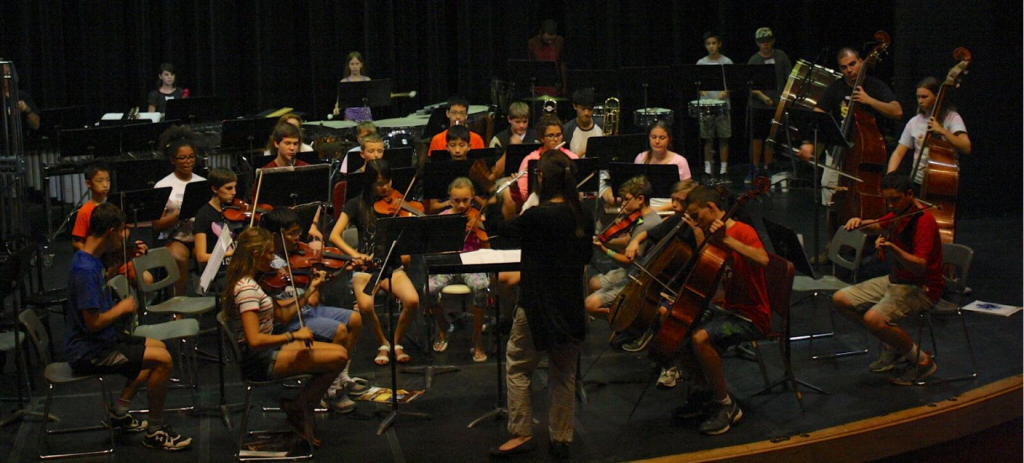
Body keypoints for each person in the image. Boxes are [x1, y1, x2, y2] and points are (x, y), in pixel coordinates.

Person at [487, 151, 593, 459]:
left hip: (537, 304)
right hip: (571, 305)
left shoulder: (536, 216)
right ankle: (561, 437)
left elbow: (501, 234)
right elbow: (586, 257)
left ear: (543, 179)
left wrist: (499, 199)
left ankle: (521, 433)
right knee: (564, 373)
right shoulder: (582, 214)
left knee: (519, 366)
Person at [65, 202, 192, 450]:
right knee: (162, 361)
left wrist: (120, 262)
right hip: (89, 351)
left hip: (103, 339)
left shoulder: (91, 260)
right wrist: (121, 309)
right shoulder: (84, 270)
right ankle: (155, 431)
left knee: (157, 347)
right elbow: (93, 323)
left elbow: (101, 284)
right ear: (111, 231)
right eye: (124, 230)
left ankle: (120, 410)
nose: (127, 235)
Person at [224, 227, 347, 445]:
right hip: (259, 360)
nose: (273, 258)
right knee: (337, 358)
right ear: (256, 255)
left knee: (340, 353)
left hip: (266, 350)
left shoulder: (253, 283)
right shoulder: (247, 290)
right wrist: (293, 337)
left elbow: (282, 314)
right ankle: (299, 409)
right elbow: (254, 340)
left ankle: (298, 408)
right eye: (269, 253)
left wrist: (309, 291)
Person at [666, 185, 770, 435]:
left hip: (751, 315)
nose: (696, 220)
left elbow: (763, 259)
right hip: (726, 306)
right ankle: (704, 391)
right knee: (677, 323)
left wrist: (728, 240)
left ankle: (727, 405)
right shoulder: (712, 231)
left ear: (711, 208)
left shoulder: (741, 231)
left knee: (701, 339)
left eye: (697, 215)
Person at [833, 173, 943, 384]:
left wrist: (892, 249)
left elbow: (920, 267)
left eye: (895, 199)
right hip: (896, 280)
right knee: (841, 299)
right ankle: (894, 346)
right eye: (887, 200)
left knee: (874, 319)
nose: (890, 205)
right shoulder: (899, 212)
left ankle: (922, 361)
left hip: (922, 288)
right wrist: (861, 223)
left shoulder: (923, 221)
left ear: (909, 194)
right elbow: (877, 225)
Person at [260, 208, 368, 412]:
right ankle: (332, 390)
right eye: (291, 234)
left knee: (355, 319)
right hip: (288, 320)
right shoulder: (267, 264)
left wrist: (341, 269)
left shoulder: (298, 253)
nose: (297, 238)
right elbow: (279, 310)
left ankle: (342, 376)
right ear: (275, 236)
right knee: (339, 330)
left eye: (297, 231)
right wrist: (308, 292)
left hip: (306, 310)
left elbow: (315, 281)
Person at [328, 160, 421, 366]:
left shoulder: (397, 201)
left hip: (392, 266)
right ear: (369, 183)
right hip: (366, 269)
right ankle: (383, 343)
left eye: (387, 182)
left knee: (413, 300)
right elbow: (334, 235)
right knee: (365, 305)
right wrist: (355, 254)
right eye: (379, 184)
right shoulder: (355, 204)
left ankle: (396, 342)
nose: (385, 188)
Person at [798, 47, 903, 208]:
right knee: (828, 187)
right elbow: (817, 115)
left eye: (852, 64)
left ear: (861, 62)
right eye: (844, 67)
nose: (849, 70)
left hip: (866, 152)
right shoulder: (836, 87)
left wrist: (869, 100)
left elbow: (897, 111)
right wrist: (809, 141)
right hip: (839, 150)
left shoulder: (875, 86)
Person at [428, 177, 491, 362]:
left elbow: (488, 251)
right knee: (429, 289)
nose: (462, 204)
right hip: (448, 264)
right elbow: (435, 248)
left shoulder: (479, 218)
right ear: (450, 198)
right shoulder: (444, 218)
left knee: (481, 287)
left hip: (471, 264)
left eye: (466, 200)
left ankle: (477, 339)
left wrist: (480, 232)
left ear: (472, 197)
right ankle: (443, 326)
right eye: (457, 200)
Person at [587, 176, 662, 318]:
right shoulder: (643, 216)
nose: (623, 204)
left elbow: (629, 262)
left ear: (640, 199)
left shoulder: (646, 224)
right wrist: (604, 241)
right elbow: (629, 240)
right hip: (634, 269)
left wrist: (604, 250)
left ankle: (627, 319)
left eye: (627, 199)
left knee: (590, 305)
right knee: (594, 282)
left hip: (638, 275)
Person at [886, 77, 971, 184]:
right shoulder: (914, 122)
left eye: (924, 97)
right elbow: (898, 153)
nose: (920, 101)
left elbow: (966, 147)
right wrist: (889, 178)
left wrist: (942, 131)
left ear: (937, 97)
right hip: (918, 180)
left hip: (944, 180)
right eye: (918, 97)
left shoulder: (952, 117)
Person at [153, 125, 206, 297]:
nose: (188, 161)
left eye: (191, 157)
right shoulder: (163, 185)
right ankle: (178, 305)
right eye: (182, 158)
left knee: (209, 256)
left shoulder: (203, 182)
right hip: (175, 237)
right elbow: (157, 225)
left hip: (199, 235)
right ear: (173, 160)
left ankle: (206, 300)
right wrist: (179, 214)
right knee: (179, 258)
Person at [746, 27, 792, 183]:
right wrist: (763, 97)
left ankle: (768, 167)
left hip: (776, 105)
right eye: (762, 42)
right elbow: (749, 85)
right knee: (757, 138)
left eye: (767, 41)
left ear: (772, 41)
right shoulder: (754, 60)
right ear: (758, 43)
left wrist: (784, 98)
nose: (765, 44)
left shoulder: (781, 56)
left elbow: (789, 79)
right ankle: (754, 168)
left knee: (771, 138)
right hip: (758, 106)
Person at [507, 117, 577, 212]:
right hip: (540, 206)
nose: (556, 139)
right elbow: (523, 198)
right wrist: (515, 190)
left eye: (559, 135)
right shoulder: (531, 160)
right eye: (551, 136)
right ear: (541, 138)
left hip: (566, 206)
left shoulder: (571, 158)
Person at [630, 120, 692, 211]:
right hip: (644, 206)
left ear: (669, 139)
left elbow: (687, 193)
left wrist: (657, 210)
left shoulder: (680, 161)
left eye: (662, 138)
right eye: (653, 137)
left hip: (670, 207)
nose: (657, 141)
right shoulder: (641, 158)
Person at [697, 31, 734, 178]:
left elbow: (732, 81)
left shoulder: (727, 61)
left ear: (719, 44)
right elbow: (697, 83)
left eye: (714, 43)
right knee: (708, 138)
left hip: (723, 106)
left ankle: (723, 169)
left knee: (723, 137)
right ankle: (708, 168)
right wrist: (701, 91)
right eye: (708, 44)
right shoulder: (701, 63)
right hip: (706, 106)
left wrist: (726, 91)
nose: (711, 46)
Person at [192, 168, 237, 279]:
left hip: (236, 268)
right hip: (218, 273)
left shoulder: (233, 210)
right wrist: (232, 254)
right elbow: (201, 257)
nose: (234, 192)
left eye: (235, 187)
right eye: (228, 188)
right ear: (215, 189)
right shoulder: (203, 215)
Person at [72, 163, 112, 251]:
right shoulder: (85, 211)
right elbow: (76, 242)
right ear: (88, 183)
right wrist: (91, 254)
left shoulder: (113, 207)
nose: (105, 185)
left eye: (108, 180)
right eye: (99, 181)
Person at [527, 19, 568, 97]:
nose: (549, 42)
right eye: (547, 39)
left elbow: (562, 63)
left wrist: (564, 85)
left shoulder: (559, 41)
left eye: (552, 40)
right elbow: (530, 65)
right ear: (540, 33)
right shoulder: (532, 43)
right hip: (538, 85)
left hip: (555, 85)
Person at [562, 88, 603, 158]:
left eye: (590, 109)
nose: (586, 113)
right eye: (583, 109)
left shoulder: (602, 124)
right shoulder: (567, 129)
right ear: (575, 106)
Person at [332, 52, 373, 122]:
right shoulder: (344, 82)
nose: (355, 67)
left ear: (361, 65)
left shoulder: (367, 80)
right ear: (348, 65)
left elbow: (372, 99)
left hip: (366, 118)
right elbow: (339, 102)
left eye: (357, 64)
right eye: (352, 64)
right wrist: (336, 108)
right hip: (350, 118)